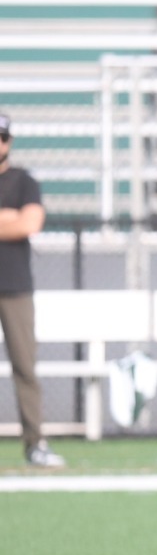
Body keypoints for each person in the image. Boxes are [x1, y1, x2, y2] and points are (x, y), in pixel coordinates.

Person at [0, 115, 55, 468]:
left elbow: (30, 223)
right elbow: (16, 222)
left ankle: (35, 444)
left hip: (14, 288)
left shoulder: (24, 181)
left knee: (25, 367)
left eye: (2, 138)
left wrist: (16, 219)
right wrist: (7, 218)